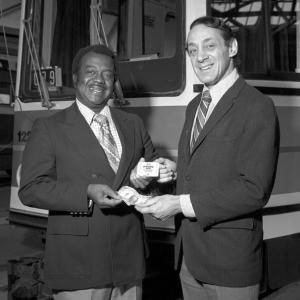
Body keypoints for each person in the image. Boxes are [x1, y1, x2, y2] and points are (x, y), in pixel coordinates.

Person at [135, 16, 280, 300]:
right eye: (192, 50)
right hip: (189, 260)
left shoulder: (257, 106)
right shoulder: (194, 105)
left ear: (233, 47)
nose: (200, 57)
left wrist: (178, 204)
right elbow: (209, 169)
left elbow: (254, 190)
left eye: (209, 46)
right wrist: (174, 174)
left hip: (230, 264)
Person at [18, 44, 173, 300]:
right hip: (79, 261)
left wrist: (154, 179)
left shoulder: (133, 124)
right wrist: (86, 193)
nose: (99, 80)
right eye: (90, 72)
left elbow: (155, 180)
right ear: (75, 78)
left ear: (115, 81)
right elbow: (31, 189)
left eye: (108, 74)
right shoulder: (49, 128)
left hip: (128, 258)